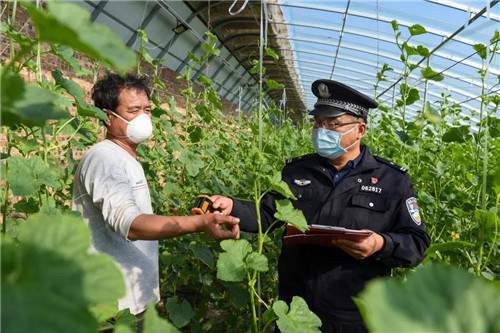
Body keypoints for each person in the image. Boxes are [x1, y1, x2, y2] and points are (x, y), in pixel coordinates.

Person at [211, 79, 430, 333]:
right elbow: (268, 215)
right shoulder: (297, 170)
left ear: (360, 129)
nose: (322, 130)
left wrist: (380, 244)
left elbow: (417, 243)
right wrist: (232, 206)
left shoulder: (392, 181)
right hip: (296, 308)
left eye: (333, 124)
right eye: (318, 123)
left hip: (355, 316)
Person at [72, 73, 240, 321]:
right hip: (109, 307)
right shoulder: (105, 159)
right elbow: (131, 224)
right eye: (134, 110)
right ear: (108, 117)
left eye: (147, 110)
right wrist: (200, 223)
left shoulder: (124, 157)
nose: (144, 118)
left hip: (129, 300)